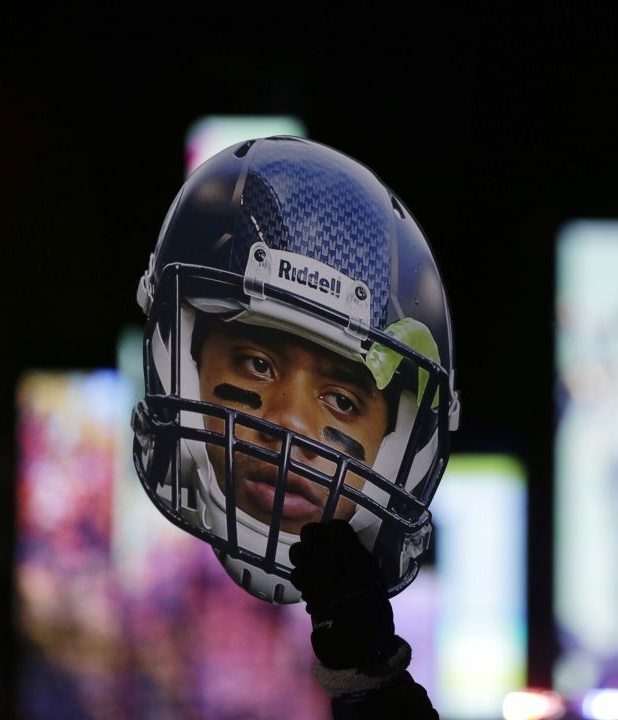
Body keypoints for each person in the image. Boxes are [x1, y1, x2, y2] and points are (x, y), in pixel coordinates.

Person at [132, 135, 459, 718]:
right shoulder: (147, 598)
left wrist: (371, 680)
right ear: (184, 360)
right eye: (258, 364)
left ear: (397, 438)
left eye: (340, 398)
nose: (288, 421)